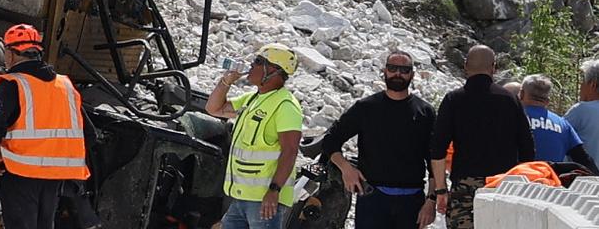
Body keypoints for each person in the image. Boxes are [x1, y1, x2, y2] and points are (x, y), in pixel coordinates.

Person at [0, 24, 90, 229]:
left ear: (11, 54)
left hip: (20, 171)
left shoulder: (14, 82)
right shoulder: (65, 85)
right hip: (55, 173)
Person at [321, 50, 437, 229]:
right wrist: (346, 169)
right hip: (372, 198)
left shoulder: (425, 112)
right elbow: (331, 140)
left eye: (404, 70)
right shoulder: (366, 108)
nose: (397, 73)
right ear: (384, 71)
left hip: (412, 201)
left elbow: (435, 160)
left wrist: (431, 201)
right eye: (392, 68)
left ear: (412, 75)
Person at [430, 45, 535, 229]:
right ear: (493, 67)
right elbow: (527, 147)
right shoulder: (510, 100)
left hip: (464, 185)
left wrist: (440, 190)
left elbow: (437, 149)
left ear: (465, 66)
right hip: (503, 185)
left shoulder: (453, 100)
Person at [205, 43, 303, 229]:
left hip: (264, 201)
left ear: (273, 70)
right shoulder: (252, 99)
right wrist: (226, 81)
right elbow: (213, 108)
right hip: (242, 197)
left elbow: (290, 151)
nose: (251, 65)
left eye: (258, 61)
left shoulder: (286, 106)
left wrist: (274, 191)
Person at [519, 74, 598, 173]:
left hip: (514, 183)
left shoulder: (514, 118)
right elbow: (583, 159)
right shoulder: (563, 124)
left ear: (521, 94)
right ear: (547, 100)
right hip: (552, 183)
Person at [566, 60, 599, 166]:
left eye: (583, 82)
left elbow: (557, 135)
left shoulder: (581, 110)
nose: (581, 86)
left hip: (584, 179)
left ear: (592, 85)